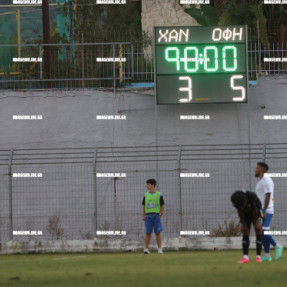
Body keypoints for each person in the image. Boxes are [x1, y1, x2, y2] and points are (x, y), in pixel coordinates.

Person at [255, 162, 283, 261]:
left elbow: (268, 195)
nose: (255, 169)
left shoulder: (267, 180)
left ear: (261, 169)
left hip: (267, 210)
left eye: (257, 168)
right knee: (261, 232)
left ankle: (277, 246)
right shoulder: (260, 181)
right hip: (260, 211)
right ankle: (267, 255)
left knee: (264, 231)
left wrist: (264, 210)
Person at [231, 190, 263, 263]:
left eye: (244, 205)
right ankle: (245, 258)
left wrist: (259, 222)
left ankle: (258, 257)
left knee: (258, 229)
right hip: (245, 215)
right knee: (245, 231)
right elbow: (239, 211)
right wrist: (243, 223)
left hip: (256, 213)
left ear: (246, 199)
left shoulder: (252, 197)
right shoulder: (234, 198)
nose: (243, 206)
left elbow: (259, 209)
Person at [142, 179, 164, 254]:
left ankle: (160, 249)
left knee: (158, 232)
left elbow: (162, 205)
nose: (147, 186)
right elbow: (144, 205)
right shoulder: (146, 195)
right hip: (148, 216)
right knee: (148, 233)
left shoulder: (159, 194)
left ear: (152, 185)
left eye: (148, 184)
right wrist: (143, 215)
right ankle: (146, 249)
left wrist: (160, 214)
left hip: (156, 216)